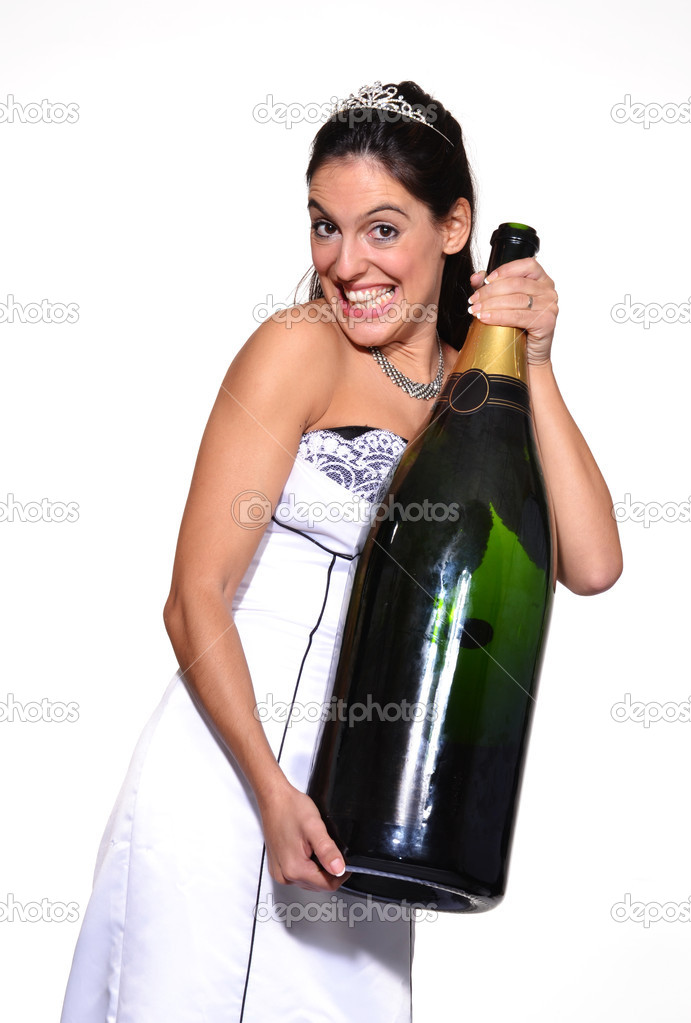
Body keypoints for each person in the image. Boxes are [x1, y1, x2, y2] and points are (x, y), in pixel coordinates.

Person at [60, 81, 622, 1022]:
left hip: (373, 799)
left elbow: (592, 563)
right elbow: (194, 597)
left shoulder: (472, 389)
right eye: (326, 226)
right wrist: (272, 795)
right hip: (238, 782)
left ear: (454, 229)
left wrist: (535, 359)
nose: (346, 262)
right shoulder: (299, 347)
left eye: (382, 229)